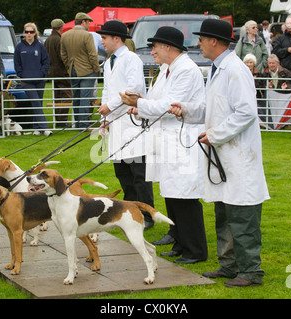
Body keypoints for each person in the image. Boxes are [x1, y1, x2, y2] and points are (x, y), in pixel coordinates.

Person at [169, 19, 270, 287]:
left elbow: (247, 112)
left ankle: (251, 271)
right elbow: (213, 109)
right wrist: (187, 110)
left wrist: (214, 135)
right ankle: (229, 266)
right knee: (224, 212)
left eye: (202, 39)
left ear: (214, 41)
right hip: (225, 156)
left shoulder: (235, 70)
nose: (198, 43)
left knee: (242, 216)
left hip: (238, 156)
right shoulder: (217, 69)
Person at [121, 26, 208, 264]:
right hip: (167, 138)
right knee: (171, 193)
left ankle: (196, 250)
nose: (152, 51)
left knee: (185, 195)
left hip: (182, 139)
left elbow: (169, 105)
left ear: (168, 47)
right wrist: (140, 107)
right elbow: (155, 101)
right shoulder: (167, 70)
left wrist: (140, 103)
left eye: (155, 46)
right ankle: (180, 242)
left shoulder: (187, 70)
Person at [96, 20, 155, 229]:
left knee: (138, 173)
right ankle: (131, 214)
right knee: (122, 171)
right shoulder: (108, 61)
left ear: (116, 38)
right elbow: (106, 90)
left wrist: (109, 106)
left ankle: (147, 215)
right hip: (116, 123)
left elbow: (134, 88)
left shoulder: (131, 59)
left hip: (132, 122)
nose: (101, 41)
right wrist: (104, 117)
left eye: (104, 37)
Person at [61, 12, 100, 129]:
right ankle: (83, 124)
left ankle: (77, 123)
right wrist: (96, 68)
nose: (89, 25)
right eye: (88, 22)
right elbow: (92, 54)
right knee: (85, 98)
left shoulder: (65, 35)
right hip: (87, 70)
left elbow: (63, 55)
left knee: (76, 97)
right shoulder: (87, 36)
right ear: (83, 22)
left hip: (72, 70)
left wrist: (69, 65)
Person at [14, 22, 51, 136]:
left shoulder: (40, 46)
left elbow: (46, 62)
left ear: (35, 33)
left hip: (40, 80)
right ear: (24, 33)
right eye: (27, 32)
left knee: (38, 103)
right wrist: (22, 75)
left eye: (31, 32)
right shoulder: (19, 47)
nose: (29, 34)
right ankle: (45, 128)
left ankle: (36, 128)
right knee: (35, 102)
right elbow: (17, 63)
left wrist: (42, 73)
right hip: (27, 80)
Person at [44, 18, 72, 127]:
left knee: (57, 96)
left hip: (52, 72)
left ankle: (58, 119)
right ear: (61, 27)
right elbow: (62, 57)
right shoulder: (59, 40)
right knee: (66, 96)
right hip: (61, 72)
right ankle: (62, 120)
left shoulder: (48, 40)